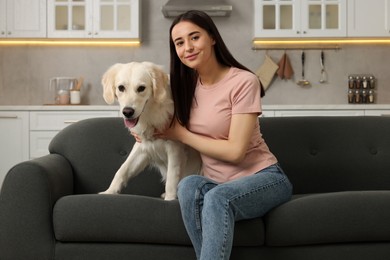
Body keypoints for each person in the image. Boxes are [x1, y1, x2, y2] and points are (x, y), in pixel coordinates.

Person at [149, 10, 292, 260]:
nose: (188, 47)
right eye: (179, 43)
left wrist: (181, 134)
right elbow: (149, 106)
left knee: (216, 198)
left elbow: (235, 152)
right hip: (217, 182)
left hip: (264, 178)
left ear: (212, 37)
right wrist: (144, 133)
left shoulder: (244, 82)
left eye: (195, 37)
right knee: (187, 186)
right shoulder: (184, 86)